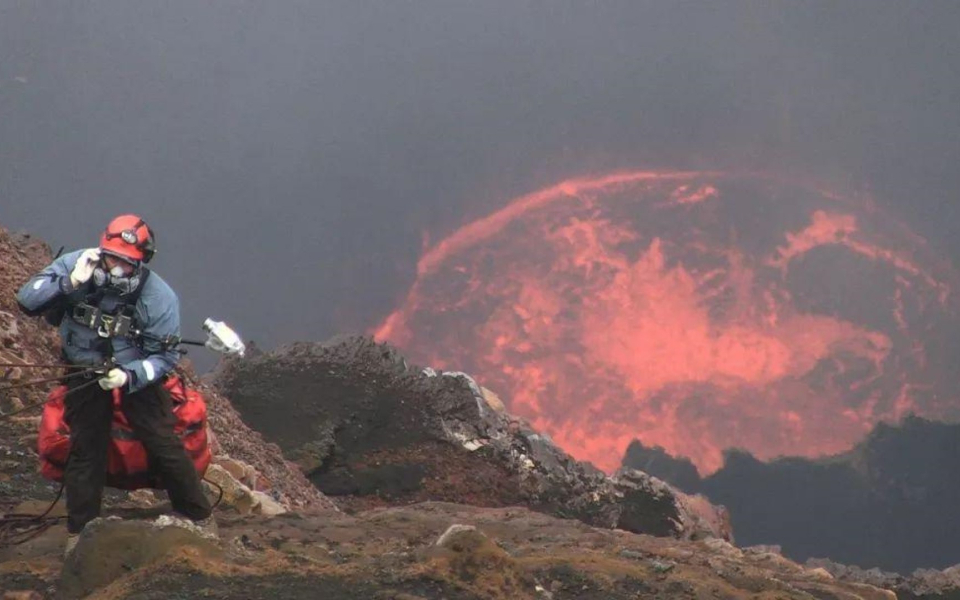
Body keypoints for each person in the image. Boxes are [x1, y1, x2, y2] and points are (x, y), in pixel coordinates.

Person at [16, 214, 213, 555]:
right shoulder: (75, 265)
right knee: (85, 447)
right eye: (111, 258)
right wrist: (69, 283)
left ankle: (198, 515)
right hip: (83, 367)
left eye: (126, 262)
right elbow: (27, 299)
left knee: (162, 440)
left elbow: (164, 357)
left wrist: (129, 375)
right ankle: (81, 532)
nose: (116, 268)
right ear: (101, 248)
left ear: (141, 262)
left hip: (134, 372)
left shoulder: (159, 297)